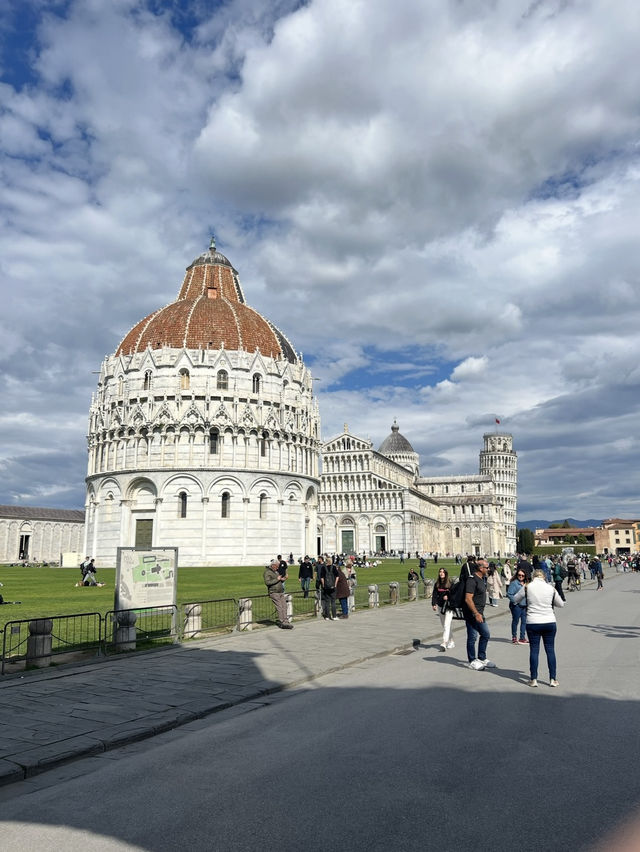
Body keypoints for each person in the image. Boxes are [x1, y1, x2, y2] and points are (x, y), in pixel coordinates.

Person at [512, 568, 564, 687]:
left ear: (533, 576)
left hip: (533, 622)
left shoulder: (527, 587)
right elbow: (560, 604)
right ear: (544, 577)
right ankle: (553, 679)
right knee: (550, 650)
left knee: (534, 650)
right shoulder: (550, 588)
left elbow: (515, 599)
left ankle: (533, 679)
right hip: (549, 621)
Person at [463, 559, 495, 670]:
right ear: (481, 568)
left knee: (485, 634)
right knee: (472, 637)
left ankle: (481, 657)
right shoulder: (472, 580)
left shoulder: (482, 578)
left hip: (479, 613)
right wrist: (476, 613)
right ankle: (472, 660)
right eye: (487, 567)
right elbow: (468, 599)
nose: (488, 569)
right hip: (472, 613)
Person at [263, 559, 293, 629]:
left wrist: (282, 579)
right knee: (279, 607)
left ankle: (286, 621)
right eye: (277, 566)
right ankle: (282, 622)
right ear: (273, 565)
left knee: (284, 606)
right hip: (274, 592)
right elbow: (267, 582)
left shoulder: (275, 571)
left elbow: (278, 579)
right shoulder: (267, 572)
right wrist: (277, 579)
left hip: (280, 592)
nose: (278, 568)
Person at [431, 567, 455, 651]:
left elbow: (454, 594)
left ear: (446, 574)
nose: (441, 573)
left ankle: (444, 642)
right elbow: (434, 594)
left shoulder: (450, 583)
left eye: (443, 572)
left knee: (446, 625)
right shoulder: (437, 583)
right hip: (441, 606)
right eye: (440, 572)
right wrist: (434, 604)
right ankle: (451, 641)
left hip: (449, 607)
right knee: (445, 625)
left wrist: (448, 596)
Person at [507, 567, 528, 643]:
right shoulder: (514, 583)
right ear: (517, 575)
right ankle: (514, 637)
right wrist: (515, 602)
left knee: (524, 622)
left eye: (523, 575)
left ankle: (522, 637)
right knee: (515, 621)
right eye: (519, 575)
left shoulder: (527, 583)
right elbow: (509, 594)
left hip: (525, 606)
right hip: (516, 606)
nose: (521, 576)